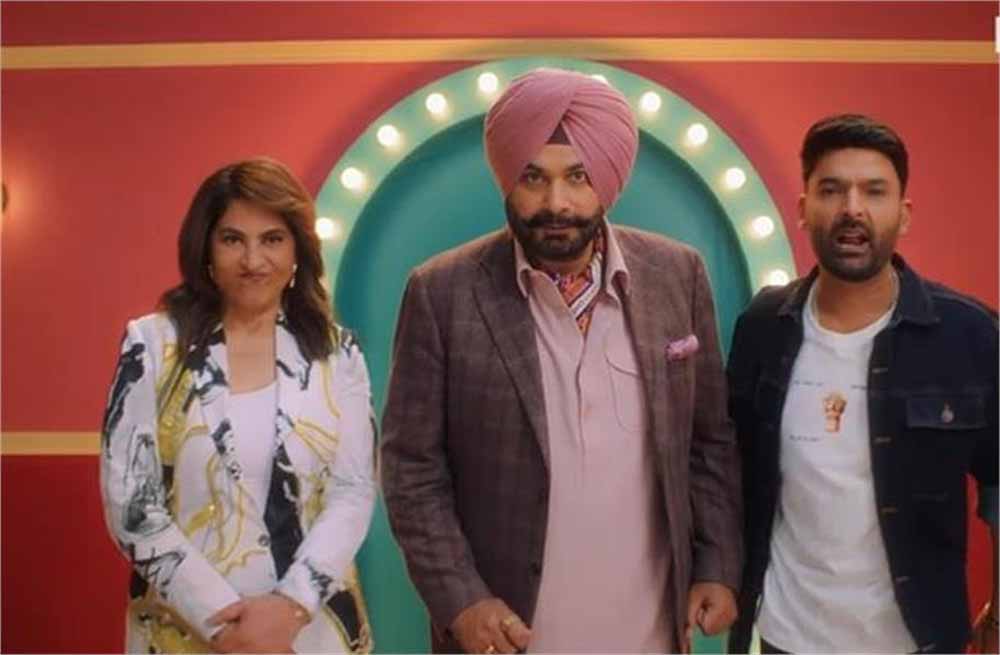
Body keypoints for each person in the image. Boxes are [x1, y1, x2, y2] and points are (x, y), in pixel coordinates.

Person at [380, 67, 742, 654]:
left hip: (648, 629)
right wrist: (462, 601)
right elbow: (411, 468)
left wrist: (717, 563)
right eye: (533, 177)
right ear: (507, 180)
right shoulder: (441, 292)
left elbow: (709, 443)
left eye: (578, 176)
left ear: (606, 178)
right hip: (508, 634)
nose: (556, 203)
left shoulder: (678, 274)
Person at [726, 114, 998, 654]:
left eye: (874, 191)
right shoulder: (762, 327)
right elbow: (726, 469)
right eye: (831, 190)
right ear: (803, 209)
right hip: (785, 637)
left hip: (916, 641)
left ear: (904, 213)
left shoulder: (969, 334)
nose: (852, 209)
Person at [99, 158, 375, 654]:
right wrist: (227, 625)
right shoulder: (152, 345)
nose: (253, 260)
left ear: (297, 250)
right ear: (205, 247)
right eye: (232, 239)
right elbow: (132, 505)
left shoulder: (339, 353)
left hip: (307, 632)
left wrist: (289, 608)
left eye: (272, 239)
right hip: (183, 629)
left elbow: (352, 492)